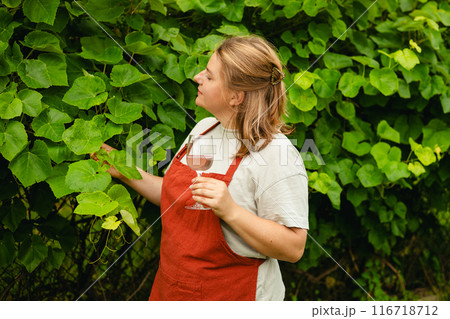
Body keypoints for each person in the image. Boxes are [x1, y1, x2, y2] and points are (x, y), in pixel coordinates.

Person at [92, 35, 309, 300]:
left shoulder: (275, 153)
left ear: (235, 97)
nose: (197, 77)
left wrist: (231, 211)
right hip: (172, 291)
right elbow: (179, 197)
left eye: (209, 76)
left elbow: (294, 247)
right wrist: (122, 169)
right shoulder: (203, 129)